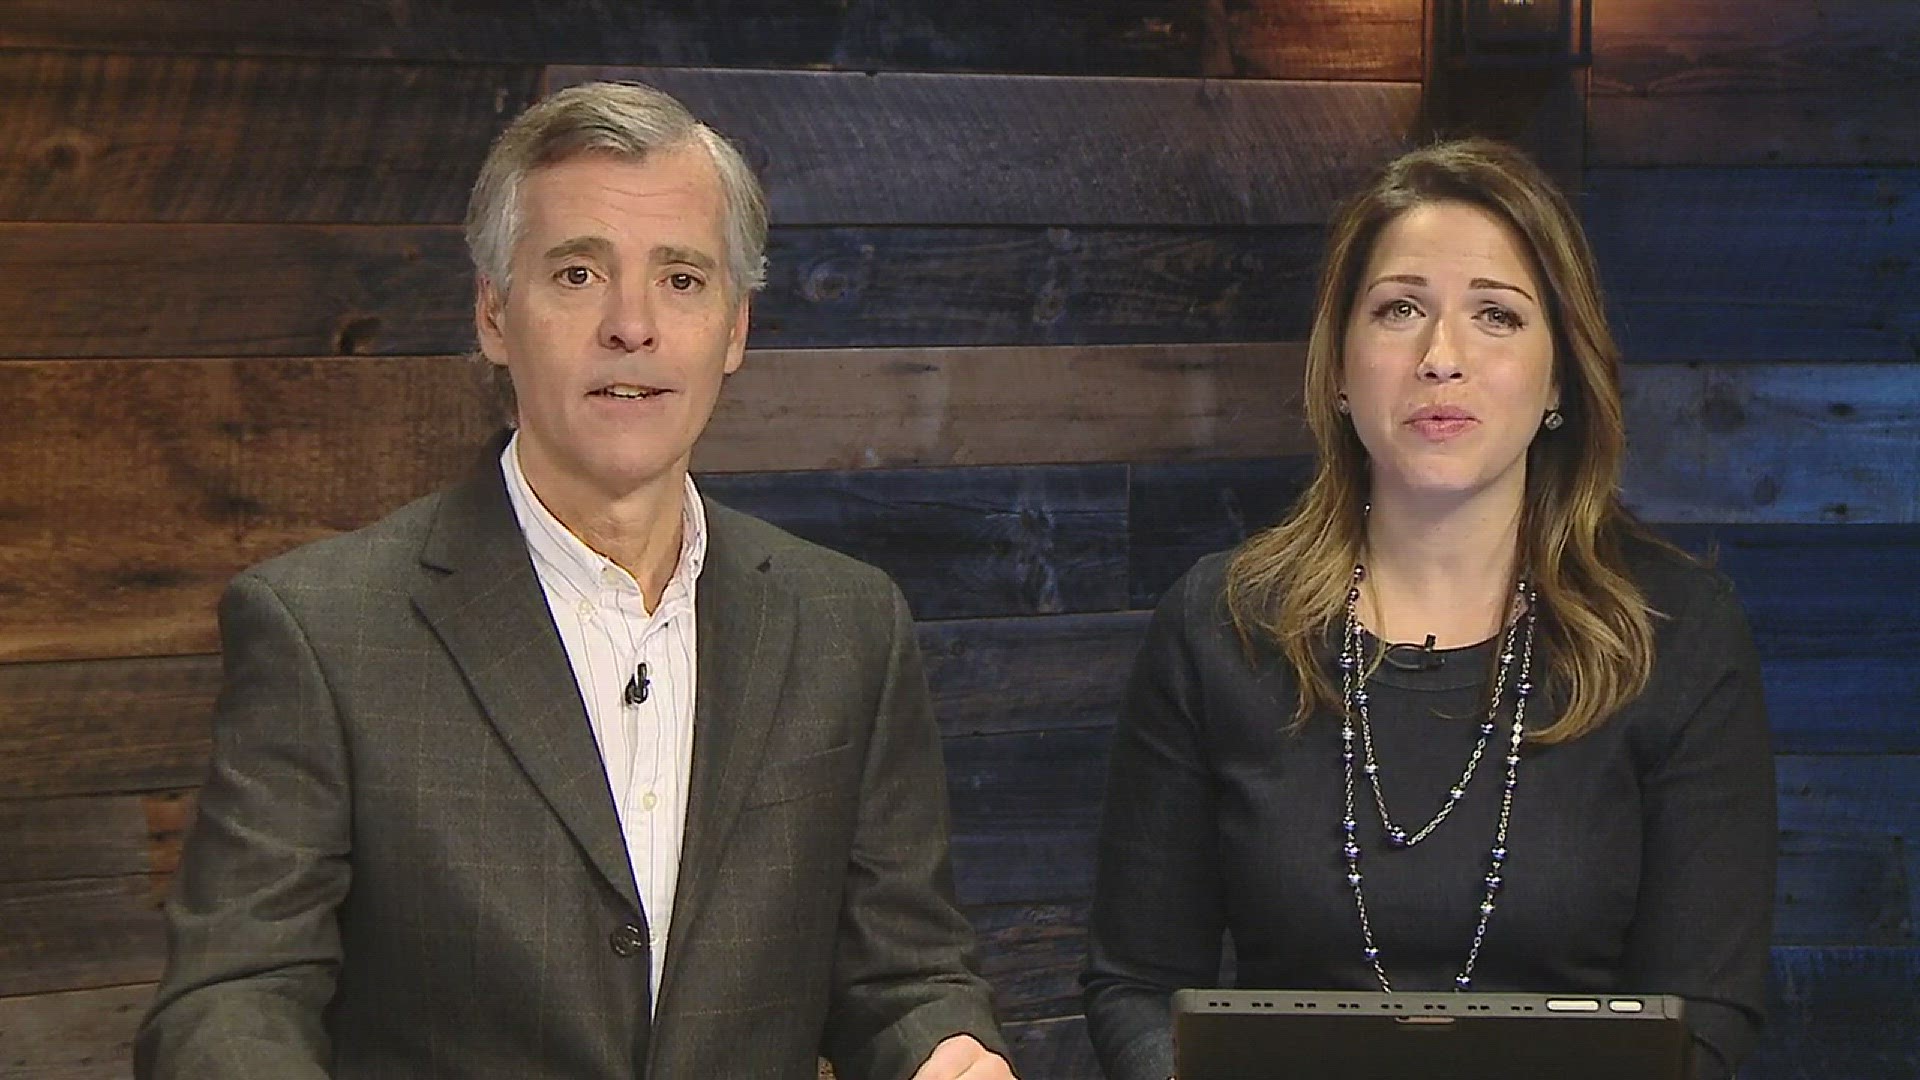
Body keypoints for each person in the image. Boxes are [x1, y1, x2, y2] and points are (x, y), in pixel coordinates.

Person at [135, 81, 1015, 1080]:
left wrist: (945, 1048)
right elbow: (232, 1000)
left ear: (735, 330)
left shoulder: (847, 626)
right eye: (579, 273)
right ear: (495, 316)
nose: (631, 325)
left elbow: (903, 975)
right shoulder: (323, 631)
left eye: (681, 279)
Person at [1080, 139, 1774, 1080]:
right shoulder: (1220, 625)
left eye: (1497, 315)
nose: (1441, 357)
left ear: (1560, 376)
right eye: (1400, 309)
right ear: (1339, 364)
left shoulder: (1678, 633)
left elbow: (1706, 1020)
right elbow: (1137, 987)